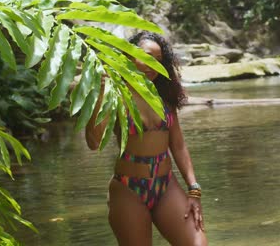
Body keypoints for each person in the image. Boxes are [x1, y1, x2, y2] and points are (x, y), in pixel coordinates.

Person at [85, 31, 208, 245]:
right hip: (128, 188)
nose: (153, 65)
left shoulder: (164, 100)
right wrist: (102, 93)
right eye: (147, 56)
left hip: (166, 185)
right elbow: (93, 143)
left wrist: (194, 189)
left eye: (159, 60)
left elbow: (178, 146)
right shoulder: (115, 97)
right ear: (129, 56)